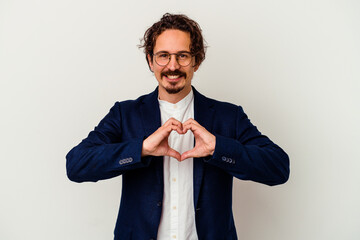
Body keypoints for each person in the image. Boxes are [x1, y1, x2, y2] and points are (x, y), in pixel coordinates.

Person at [66, 13, 290, 240]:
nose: (172, 66)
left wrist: (218, 148)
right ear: (150, 61)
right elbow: (76, 165)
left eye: (182, 56)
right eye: (163, 56)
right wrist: (141, 149)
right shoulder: (125, 114)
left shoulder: (228, 116)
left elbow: (279, 168)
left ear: (197, 61)